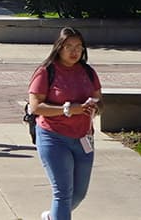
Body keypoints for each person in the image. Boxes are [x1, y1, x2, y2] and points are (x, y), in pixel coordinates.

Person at [29, 27, 103, 220]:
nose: (74, 51)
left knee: (79, 194)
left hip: (83, 137)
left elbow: (99, 100)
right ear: (59, 48)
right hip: (53, 137)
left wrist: (93, 108)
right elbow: (35, 107)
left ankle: (51, 217)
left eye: (79, 47)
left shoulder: (88, 72)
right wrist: (68, 109)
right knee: (62, 193)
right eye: (69, 46)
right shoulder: (46, 72)